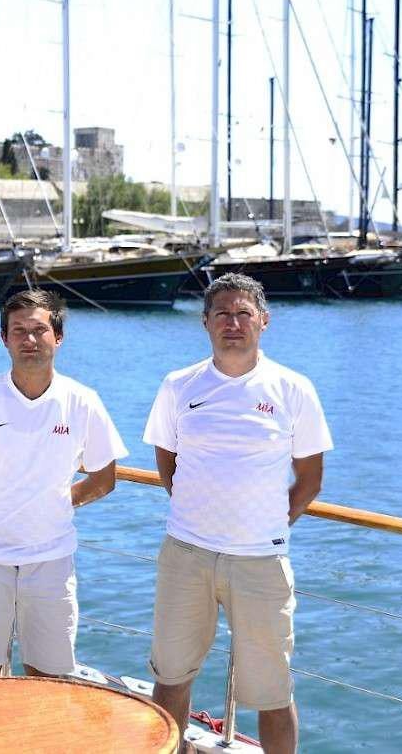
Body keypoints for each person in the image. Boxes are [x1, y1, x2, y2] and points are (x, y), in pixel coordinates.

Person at [143, 272, 332, 754]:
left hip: (260, 562)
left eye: (243, 313)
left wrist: (267, 524)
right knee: (170, 679)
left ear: (263, 322)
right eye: (222, 313)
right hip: (186, 554)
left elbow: (309, 479)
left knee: (273, 692)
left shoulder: (293, 389)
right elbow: (168, 464)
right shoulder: (178, 385)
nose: (233, 322)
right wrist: (197, 512)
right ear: (205, 322)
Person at [0, 289, 126, 678]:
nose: (29, 340)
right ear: (4, 338)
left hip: (51, 559)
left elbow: (104, 478)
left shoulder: (82, 401)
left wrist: (61, 503)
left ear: (58, 337)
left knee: (47, 681)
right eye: (18, 331)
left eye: (39, 329)